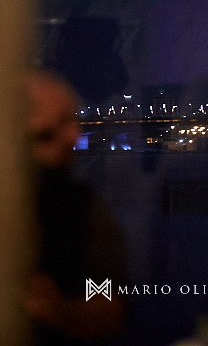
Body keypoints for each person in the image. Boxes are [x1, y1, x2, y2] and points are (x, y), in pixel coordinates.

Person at [24, 70, 128, 345]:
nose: (73, 138)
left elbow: (108, 303)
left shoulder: (82, 208)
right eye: (45, 135)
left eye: (72, 122)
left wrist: (60, 311)